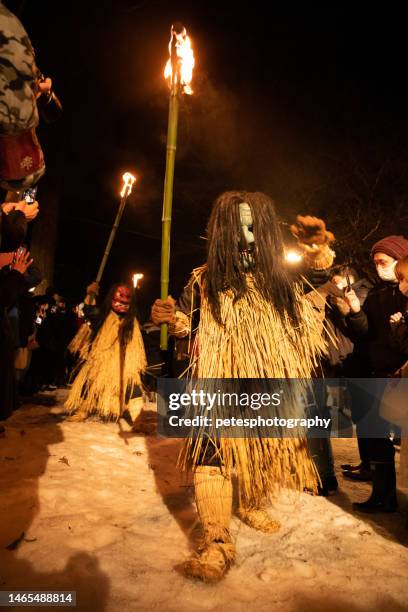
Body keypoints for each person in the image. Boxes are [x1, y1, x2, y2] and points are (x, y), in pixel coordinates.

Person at [152, 191, 328, 582]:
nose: (246, 238)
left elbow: (318, 275)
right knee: (211, 446)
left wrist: (317, 249)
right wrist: (172, 319)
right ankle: (216, 540)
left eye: (254, 228)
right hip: (218, 380)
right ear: (220, 233)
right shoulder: (202, 280)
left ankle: (252, 501)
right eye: (237, 228)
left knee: (261, 444)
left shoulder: (281, 280)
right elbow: (186, 322)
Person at [342, 235, 408, 512]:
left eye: (384, 262)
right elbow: (365, 333)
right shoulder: (377, 294)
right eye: (376, 263)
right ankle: (383, 495)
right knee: (374, 434)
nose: (379, 267)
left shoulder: (403, 295)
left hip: (398, 374)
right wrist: (355, 312)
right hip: (376, 371)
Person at [65, 281, 147, 422]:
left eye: (127, 299)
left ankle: (138, 419)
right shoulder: (101, 315)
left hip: (125, 361)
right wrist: (89, 294)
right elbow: (84, 310)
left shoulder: (132, 322)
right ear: (111, 299)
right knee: (91, 383)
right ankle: (83, 411)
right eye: (118, 298)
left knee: (132, 386)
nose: (122, 302)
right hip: (101, 359)